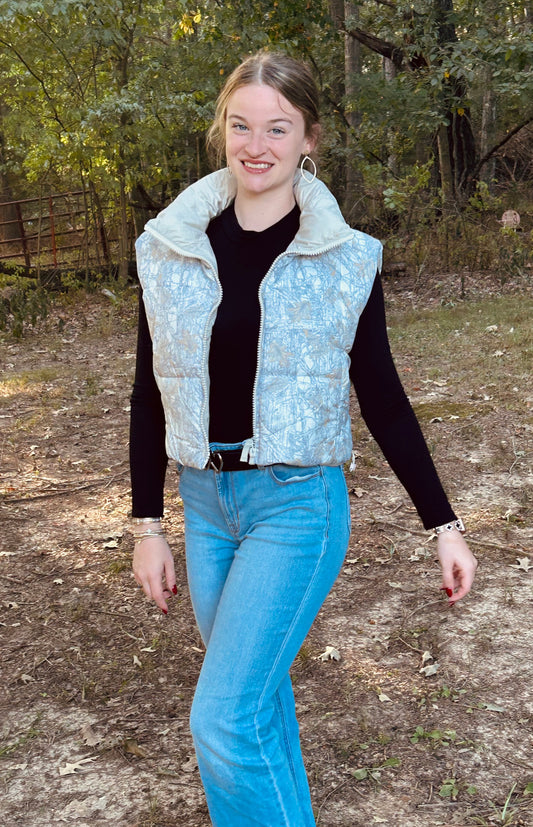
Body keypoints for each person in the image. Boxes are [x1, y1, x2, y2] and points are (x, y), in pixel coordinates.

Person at [130, 50, 477, 827]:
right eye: (241, 124)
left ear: (308, 138)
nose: (256, 145)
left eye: (277, 128)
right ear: (223, 128)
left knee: (221, 719)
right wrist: (147, 525)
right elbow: (148, 390)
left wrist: (442, 524)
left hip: (295, 507)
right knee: (254, 710)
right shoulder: (169, 246)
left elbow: (382, 397)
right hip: (205, 504)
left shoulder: (344, 260)